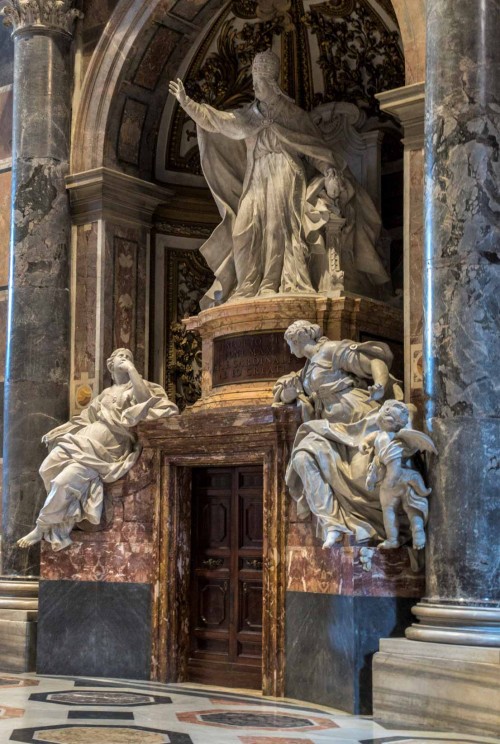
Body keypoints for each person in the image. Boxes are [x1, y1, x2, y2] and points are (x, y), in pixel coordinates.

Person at [169, 49, 388, 309]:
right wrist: (187, 103)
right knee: (243, 230)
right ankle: (248, 285)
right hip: (257, 176)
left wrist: (329, 171)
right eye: (253, 81)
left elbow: (316, 151)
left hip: (285, 175)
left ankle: (272, 284)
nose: (254, 86)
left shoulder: (293, 116)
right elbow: (217, 121)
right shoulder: (248, 115)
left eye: (258, 82)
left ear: (272, 83)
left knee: (277, 231)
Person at [17, 349, 179, 551]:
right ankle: (63, 511)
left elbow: (145, 400)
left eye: (128, 357)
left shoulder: (137, 386)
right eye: (121, 356)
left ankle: (41, 527)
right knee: (46, 468)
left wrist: (131, 369)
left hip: (106, 450)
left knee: (61, 482)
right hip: (82, 440)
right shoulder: (105, 394)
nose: (125, 358)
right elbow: (84, 418)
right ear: (111, 365)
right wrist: (58, 432)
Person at [273, 320, 404, 548]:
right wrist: (290, 393)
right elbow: (287, 396)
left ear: (297, 339)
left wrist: (380, 385)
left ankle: (374, 526)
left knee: (364, 473)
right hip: (329, 428)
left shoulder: (331, 351)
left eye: (289, 343)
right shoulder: (305, 370)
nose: (290, 350)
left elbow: (374, 361)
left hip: (359, 419)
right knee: (302, 457)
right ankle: (332, 522)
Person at [361, 400, 436, 550]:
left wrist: (389, 483)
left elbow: (394, 468)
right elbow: (368, 440)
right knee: (411, 506)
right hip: (405, 480)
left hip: (393, 480)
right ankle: (418, 530)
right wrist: (363, 444)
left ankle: (393, 539)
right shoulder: (389, 435)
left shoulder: (384, 439)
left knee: (388, 510)